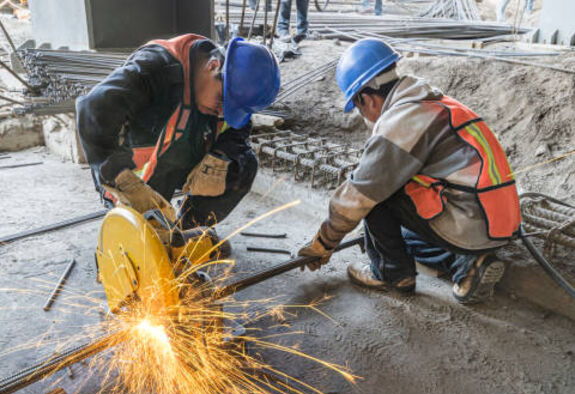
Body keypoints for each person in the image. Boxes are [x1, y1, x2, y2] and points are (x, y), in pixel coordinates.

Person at [298, 38, 521, 303]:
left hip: (469, 218)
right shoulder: (434, 103)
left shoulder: (402, 121)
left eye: (358, 108)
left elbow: (360, 193)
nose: (363, 115)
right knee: (407, 239)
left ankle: (391, 275)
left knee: (377, 197)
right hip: (497, 222)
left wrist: (324, 241)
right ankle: (470, 264)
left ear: (366, 99)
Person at [77, 34, 280, 245]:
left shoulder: (224, 89)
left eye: (230, 109)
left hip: (179, 161)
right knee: (144, 247)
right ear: (213, 66)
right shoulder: (155, 68)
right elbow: (92, 107)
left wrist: (222, 154)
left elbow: (239, 126)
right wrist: (119, 177)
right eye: (222, 100)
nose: (222, 111)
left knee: (243, 165)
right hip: (135, 178)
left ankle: (183, 235)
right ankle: (140, 231)